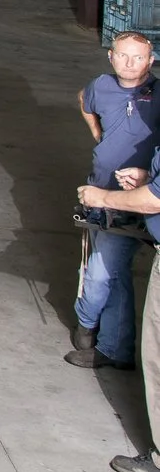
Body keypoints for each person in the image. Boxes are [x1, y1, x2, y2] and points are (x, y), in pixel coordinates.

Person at [73, 33, 158, 374]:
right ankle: (115, 347)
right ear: (111, 56)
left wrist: (148, 176)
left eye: (138, 58)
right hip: (99, 193)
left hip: (133, 200)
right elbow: (83, 100)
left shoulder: (158, 96)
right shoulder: (101, 86)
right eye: (123, 56)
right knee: (114, 273)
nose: (130, 63)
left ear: (150, 61)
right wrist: (99, 136)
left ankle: (86, 326)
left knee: (101, 273)